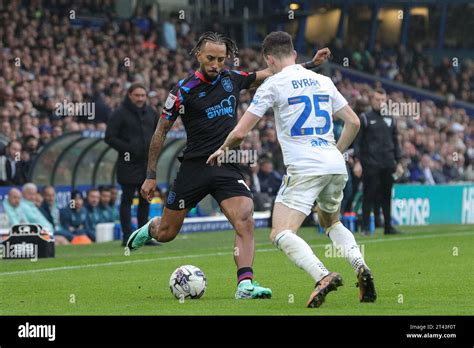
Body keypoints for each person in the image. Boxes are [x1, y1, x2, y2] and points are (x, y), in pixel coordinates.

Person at [126, 31, 331, 299]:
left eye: (221, 59)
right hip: (194, 167)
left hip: (226, 163)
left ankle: (245, 284)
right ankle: (151, 227)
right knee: (166, 233)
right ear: (198, 55)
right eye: (210, 58)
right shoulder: (182, 90)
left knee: (244, 217)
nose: (215, 64)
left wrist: (311, 64)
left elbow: (274, 73)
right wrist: (150, 175)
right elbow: (160, 132)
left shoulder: (232, 79)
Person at [207, 31, 376, 307]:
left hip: (304, 167)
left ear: (268, 59)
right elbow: (354, 122)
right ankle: (360, 266)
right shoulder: (324, 80)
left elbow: (240, 131)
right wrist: (335, 153)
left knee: (281, 232)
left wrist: (222, 149)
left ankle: (322, 275)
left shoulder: (272, 85)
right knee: (331, 221)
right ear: (295, 55)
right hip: (334, 164)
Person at [105, 83, 159, 246]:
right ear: (129, 95)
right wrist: (129, 148)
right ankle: (127, 236)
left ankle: (143, 237)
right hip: (127, 164)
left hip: (147, 165)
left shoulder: (151, 113)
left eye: (143, 95)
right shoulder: (119, 113)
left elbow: (159, 133)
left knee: (145, 200)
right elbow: (109, 137)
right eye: (137, 95)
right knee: (127, 200)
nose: (140, 98)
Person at [353, 88, 403, 235]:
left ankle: (388, 226)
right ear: (371, 100)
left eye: (383, 100)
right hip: (371, 164)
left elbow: (395, 142)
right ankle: (366, 227)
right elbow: (358, 142)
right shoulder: (365, 118)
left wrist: (399, 162)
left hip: (388, 163)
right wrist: (357, 161)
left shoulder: (390, 118)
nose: (380, 103)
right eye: (377, 100)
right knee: (369, 195)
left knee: (387, 195)